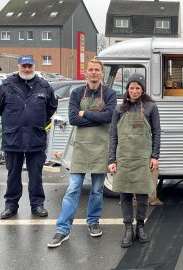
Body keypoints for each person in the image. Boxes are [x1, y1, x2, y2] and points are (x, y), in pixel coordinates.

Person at [47, 59, 117, 248]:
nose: (94, 73)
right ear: (86, 73)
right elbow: (72, 119)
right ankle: (62, 230)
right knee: (73, 189)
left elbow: (109, 117)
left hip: (101, 147)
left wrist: (84, 114)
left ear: (102, 73)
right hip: (81, 147)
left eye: (97, 70)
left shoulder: (110, 93)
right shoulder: (77, 92)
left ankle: (93, 222)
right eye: (91, 70)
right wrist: (96, 118)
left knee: (96, 190)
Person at [0, 55, 57, 220]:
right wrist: (16, 121)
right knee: (13, 174)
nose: (27, 69)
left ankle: (37, 205)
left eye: (30, 66)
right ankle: (11, 206)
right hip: (13, 137)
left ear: (34, 66)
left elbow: (51, 108)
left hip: (35, 137)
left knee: (36, 174)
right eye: (24, 66)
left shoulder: (44, 86)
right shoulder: (6, 85)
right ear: (19, 66)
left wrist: (34, 121)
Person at [108, 73, 161, 248]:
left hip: (143, 158)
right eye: (131, 88)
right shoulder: (119, 109)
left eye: (138, 88)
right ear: (127, 89)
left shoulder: (150, 107)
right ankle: (127, 228)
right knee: (124, 194)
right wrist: (112, 159)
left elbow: (157, 133)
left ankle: (140, 226)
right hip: (123, 158)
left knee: (142, 194)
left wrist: (155, 156)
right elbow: (113, 136)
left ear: (142, 90)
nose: (134, 91)